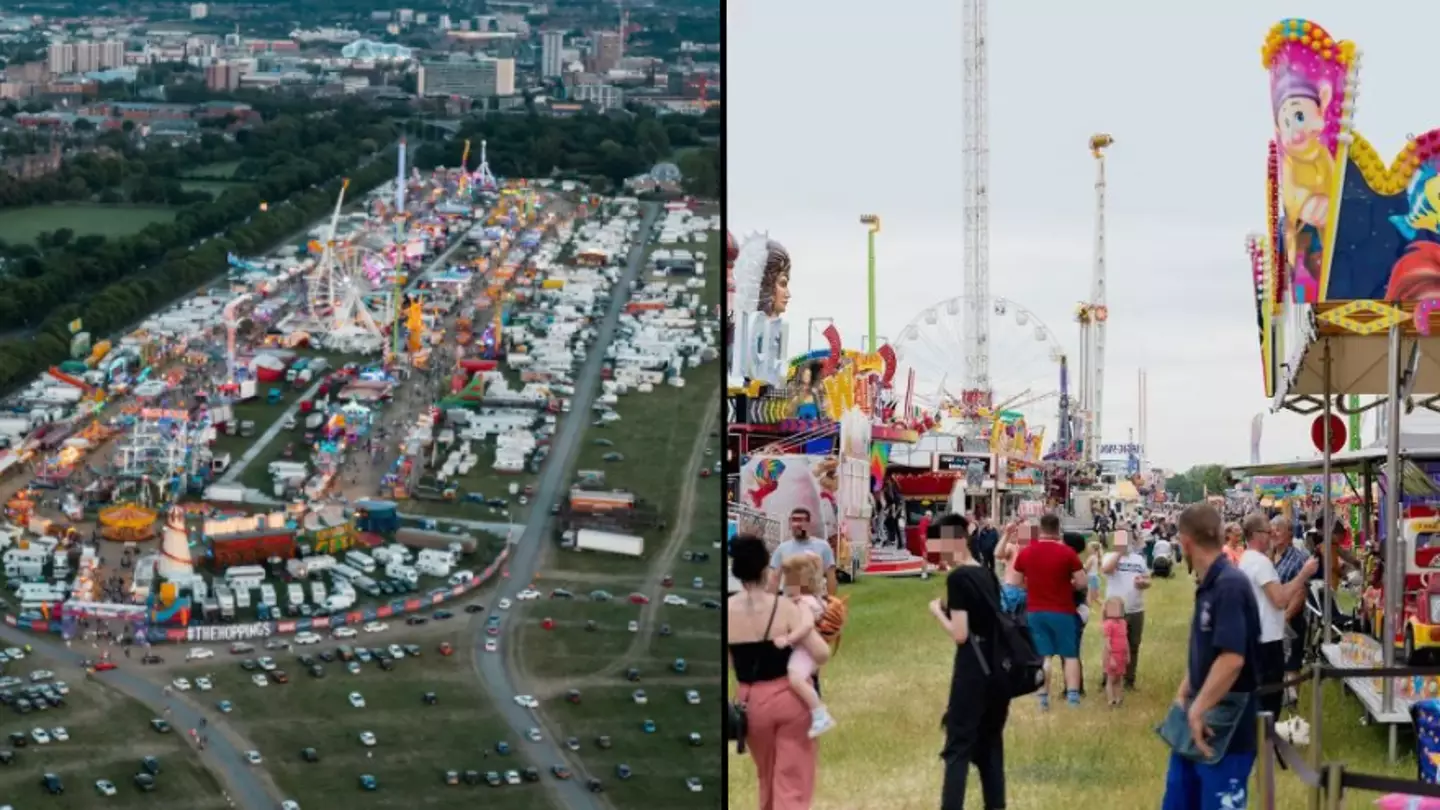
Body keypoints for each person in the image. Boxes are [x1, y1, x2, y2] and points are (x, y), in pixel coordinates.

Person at [1162, 503, 1261, 810]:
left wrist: (1197, 709)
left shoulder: (1230, 585)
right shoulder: (1208, 585)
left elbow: (1232, 659)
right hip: (1197, 720)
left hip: (1226, 729)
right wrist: (1183, 697)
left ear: (1185, 543)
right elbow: (1208, 654)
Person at [729, 534, 825, 810]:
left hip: (751, 702)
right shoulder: (785, 608)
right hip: (790, 698)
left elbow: (732, 664)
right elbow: (820, 653)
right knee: (792, 782)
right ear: (764, 569)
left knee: (767, 777)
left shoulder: (728, 611)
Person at [926, 513, 1009, 810]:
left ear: (957, 540)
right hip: (998, 669)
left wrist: (937, 611)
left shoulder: (959, 578)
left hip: (972, 671)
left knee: (958, 749)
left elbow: (960, 634)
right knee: (990, 749)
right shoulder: (987, 574)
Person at [1238, 514, 1319, 721]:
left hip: (1254, 637)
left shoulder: (1246, 559)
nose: (1272, 535)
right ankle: (1265, 745)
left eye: (1275, 531)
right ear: (1256, 535)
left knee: (1259, 698)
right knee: (1269, 702)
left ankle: (1259, 742)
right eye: (1268, 531)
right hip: (1267, 641)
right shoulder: (1261, 563)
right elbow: (1280, 599)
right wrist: (1304, 574)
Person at [1012, 513, 1088, 709]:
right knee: (1070, 654)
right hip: (1063, 610)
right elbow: (1081, 582)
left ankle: (1043, 698)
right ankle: (1073, 698)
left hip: (1035, 610)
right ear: (1058, 529)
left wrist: (1034, 586)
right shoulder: (1067, 553)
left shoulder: (1027, 552)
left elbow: (1018, 582)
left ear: (1040, 529)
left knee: (1043, 655)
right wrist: (1067, 585)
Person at [775, 553, 836, 738]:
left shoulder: (803, 603)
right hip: (812, 651)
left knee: (796, 679)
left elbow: (807, 625)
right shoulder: (817, 598)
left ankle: (819, 714)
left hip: (804, 651)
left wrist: (789, 639)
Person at [1270, 514, 1311, 706]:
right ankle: (1275, 699)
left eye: (1279, 529)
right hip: (1268, 618)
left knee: (1292, 663)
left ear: (1289, 533)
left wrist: (1285, 618)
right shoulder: (1268, 555)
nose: (1274, 533)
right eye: (1272, 529)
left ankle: (1292, 704)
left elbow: (1300, 593)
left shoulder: (1300, 558)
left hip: (1290, 619)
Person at [1101, 532, 1151, 691]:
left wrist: (1143, 583)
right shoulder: (1109, 556)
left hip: (1136, 608)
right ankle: (1107, 677)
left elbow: (1147, 579)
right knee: (1111, 645)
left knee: (1133, 645)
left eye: (1126, 540)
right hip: (1115, 611)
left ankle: (1129, 679)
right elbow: (1107, 570)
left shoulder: (1139, 559)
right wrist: (1119, 554)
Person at [769, 508, 838, 596]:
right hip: (790, 601)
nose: (797, 524)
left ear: (809, 524)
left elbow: (831, 575)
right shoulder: (782, 549)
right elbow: (773, 578)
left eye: (801, 520)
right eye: (794, 520)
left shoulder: (823, 546)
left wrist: (831, 601)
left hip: (816, 600)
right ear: (790, 524)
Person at [1101, 596, 1131, 707]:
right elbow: (1107, 643)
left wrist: (1127, 653)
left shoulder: (1123, 623)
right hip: (1113, 655)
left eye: (1117, 608)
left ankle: (1119, 698)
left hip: (1121, 655)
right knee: (1111, 679)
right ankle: (1111, 699)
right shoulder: (1108, 624)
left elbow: (1125, 638)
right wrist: (1111, 657)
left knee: (1119, 678)